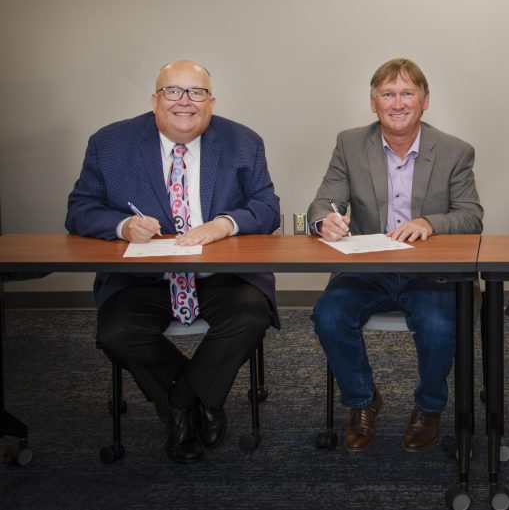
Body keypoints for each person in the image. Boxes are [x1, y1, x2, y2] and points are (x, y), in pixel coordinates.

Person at [66, 60, 280, 464]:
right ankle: (202, 400)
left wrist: (225, 224)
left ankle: (181, 405)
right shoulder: (110, 143)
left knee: (252, 316)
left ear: (211, 102)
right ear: (154, 99)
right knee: (117, 333)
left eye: (197, 92)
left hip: (221, 275)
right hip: (143, 279)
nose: (185, 101)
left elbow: (267, 208)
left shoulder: (243, 142)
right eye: (173, 91)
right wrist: (123, 224)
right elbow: (79, 209)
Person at [307, 58, 483, 454]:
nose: (398, 103)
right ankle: (362, 401)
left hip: (429, 270)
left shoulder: (455, 151)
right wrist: (324, 223)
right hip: (370, 268)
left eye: (407, 93)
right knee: (328, 315)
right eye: (388, 94)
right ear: (374, 103)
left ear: (425, 101)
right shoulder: (350, 143)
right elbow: (323, 202)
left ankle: (429, 406)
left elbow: (472, 216)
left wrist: (430, 222)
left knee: (441, 328)